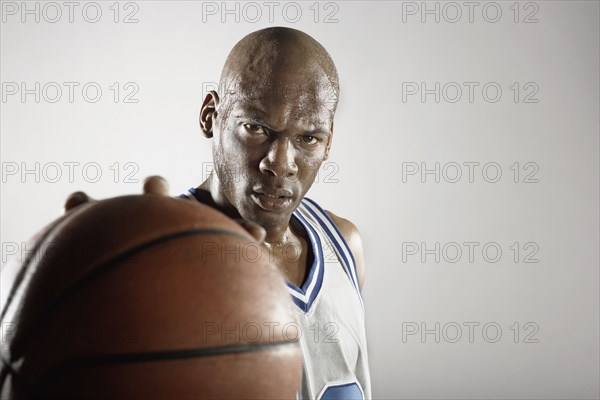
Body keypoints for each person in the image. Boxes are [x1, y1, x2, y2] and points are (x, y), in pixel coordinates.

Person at [66, 27, 371, 400]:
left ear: (328, 141)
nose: (280, 164)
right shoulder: (155, 257)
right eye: (255, 127)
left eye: (308, 137)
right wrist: (87, 280)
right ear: (211, 116)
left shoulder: (344, 244)